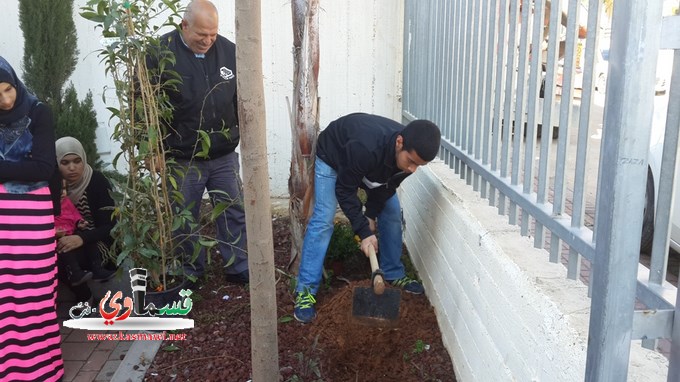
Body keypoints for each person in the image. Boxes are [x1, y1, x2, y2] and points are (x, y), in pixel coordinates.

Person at [294, 113, 441, 323]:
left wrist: (370, 215)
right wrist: (363, 231)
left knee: (391, 213)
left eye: (419, 165)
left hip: (369, 165)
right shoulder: (365, 146)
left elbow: (385, 189)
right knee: (324, 218)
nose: (412, 169)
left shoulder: (409, 159)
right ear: (399, 142)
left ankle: (392, 272)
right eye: (411, 162)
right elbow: (345, 190)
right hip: (334, 156)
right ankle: (305, 292)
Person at [150, 0, 248, 284]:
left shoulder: (229, 51)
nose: (207, 41)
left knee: (232, 209)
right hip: (182, 155)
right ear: (184, 25)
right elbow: (143, 102)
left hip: (223, 153)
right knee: (184, 216)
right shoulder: (159, 52)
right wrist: (151, 148)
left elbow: (240, 99)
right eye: (201, 34)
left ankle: (237, 265)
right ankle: (190, 270)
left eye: (212, 34)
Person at [0, 56, 64, 381]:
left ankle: (41, 370)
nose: (6, 100)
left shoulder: (39, 111)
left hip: (31, 217)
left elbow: (42, 167)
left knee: (32, 293)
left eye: (8, 88)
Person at [55, 136, 116, 302]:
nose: (72, 168)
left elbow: (110, 226)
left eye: (77, 161)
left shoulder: (97, 181)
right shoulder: (52, 189)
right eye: (65, 163)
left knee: (66, 254)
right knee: (54, 255)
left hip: (98, 244)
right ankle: (85, 296)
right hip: (65, 244)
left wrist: (81, 238)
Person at [55, 179, 93, 286]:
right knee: (65, 249)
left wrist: (79, 222)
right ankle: (75, 273)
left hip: (72, 230)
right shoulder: (48, 203)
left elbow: (74, 213)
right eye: (58, 189)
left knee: (88, 237)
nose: (62, 193)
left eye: (64, 189)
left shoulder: (66, 201)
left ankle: (97, 268)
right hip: (59, 235)